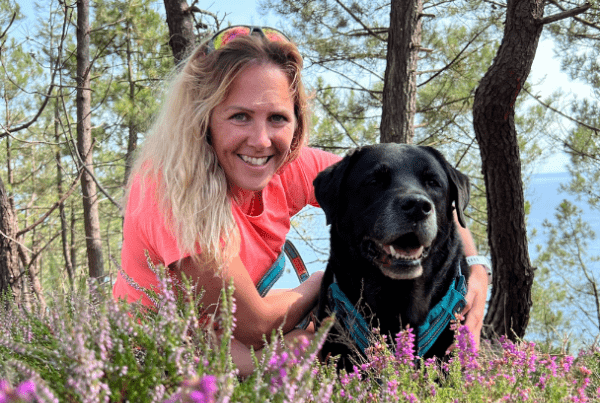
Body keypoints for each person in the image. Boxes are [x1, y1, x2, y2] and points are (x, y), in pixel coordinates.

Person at [113, 26, 488, 377]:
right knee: (307, 351)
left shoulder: (285, 165)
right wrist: (323, 282)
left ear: (296, 122)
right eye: (240, 116)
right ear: (202, 119)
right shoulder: (172, 188)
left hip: (228, 344)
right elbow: (256, 323)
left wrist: (475, 268)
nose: (261, 140)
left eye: (277, 117)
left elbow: (414, 197)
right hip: (152, 366)